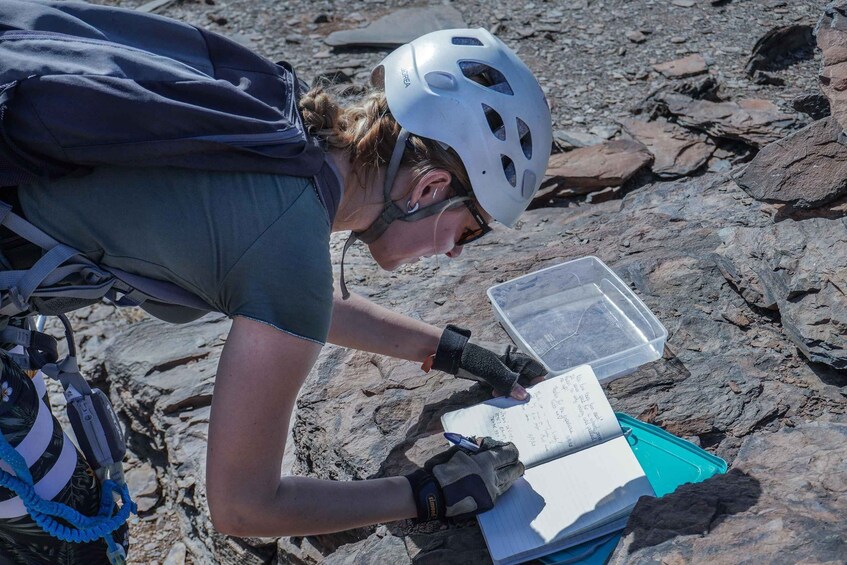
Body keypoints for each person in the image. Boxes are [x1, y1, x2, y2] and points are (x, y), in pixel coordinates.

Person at [0, 15, 553, 564]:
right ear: (429, 188)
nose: (458, 249)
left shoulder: (279, 128)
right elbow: (243, 508)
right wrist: (427, 495)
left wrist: (454, 353)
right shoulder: (287, 251)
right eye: (472, 228)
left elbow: (285, 297)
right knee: (78, 541)